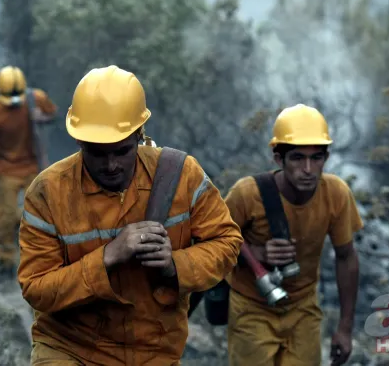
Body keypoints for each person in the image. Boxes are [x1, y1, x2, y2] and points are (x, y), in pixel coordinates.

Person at [17, 65, 242, 365]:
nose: (111, 165)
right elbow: (36, 288)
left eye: (121, 151)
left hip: (154, 351)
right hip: (71, 348)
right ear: (79, 142)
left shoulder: (181, 176)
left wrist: (175, 265)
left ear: (139, 134)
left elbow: (227, 243)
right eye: (97, 153)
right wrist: (108, 256)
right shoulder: (48, 192)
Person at [223, 104, 363, 366]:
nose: (308, 169)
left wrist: (345, 328)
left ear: (326, 158)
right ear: (279, 159)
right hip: (252, 308)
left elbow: (346, 257)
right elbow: (213, 240)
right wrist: (257, 254)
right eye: (298, 158)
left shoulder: (336, 194)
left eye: (317, 158)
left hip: (303, 308)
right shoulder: (247, 194)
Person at [0, 65, 57, 278]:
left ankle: (40, 262)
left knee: (40, 215)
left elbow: (55, 116)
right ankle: (6, 263)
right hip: (7, 169)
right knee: (4, 217)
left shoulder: (36, 99)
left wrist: (42, 118)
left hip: (33, 167)